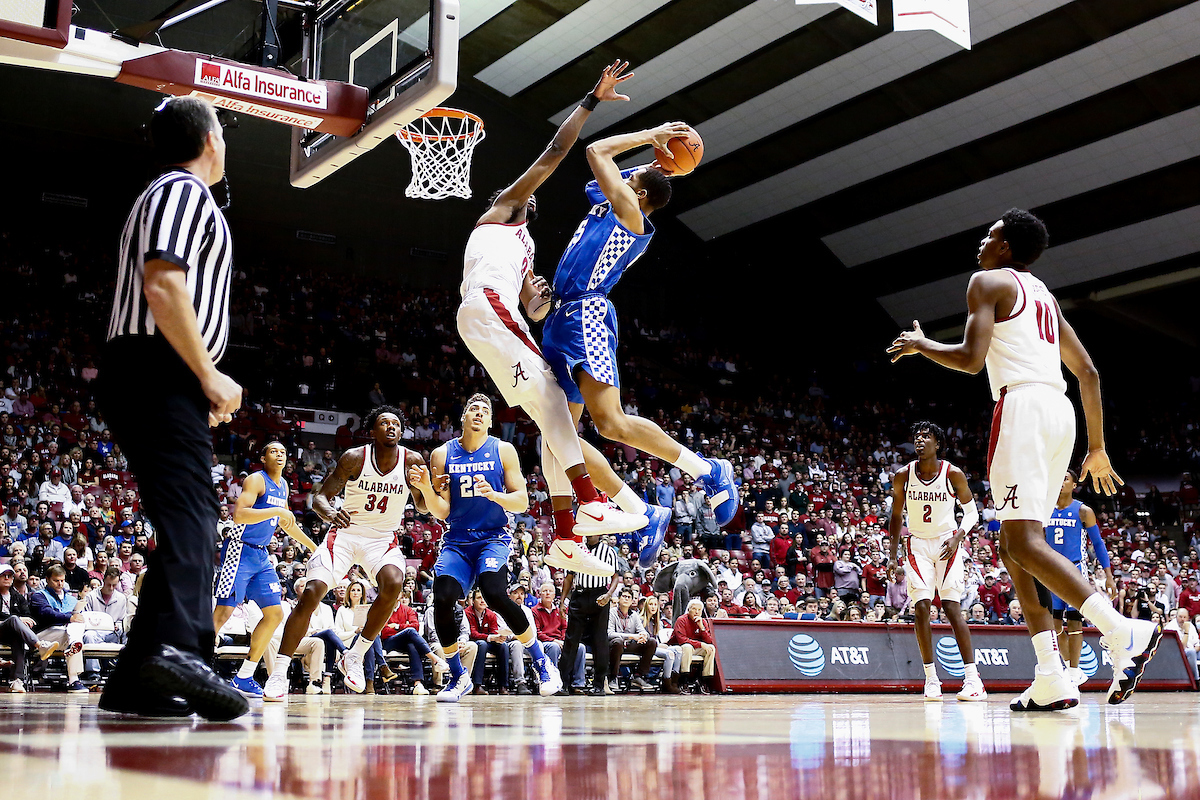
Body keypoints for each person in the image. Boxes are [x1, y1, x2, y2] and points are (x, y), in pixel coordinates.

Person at [889, 208, 1160, 711]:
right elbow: (1090, 373)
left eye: (989, 235)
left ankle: (1121, 630)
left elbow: (971, 361)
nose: (981, 241)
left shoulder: (986, 281)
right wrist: (1096, 448)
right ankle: (1051, 674)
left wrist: (923, 345)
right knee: (1013, 548)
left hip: (1021, 407)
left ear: (1006, 247)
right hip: (1061, 412)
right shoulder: (1045, 298)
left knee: (1021, 540)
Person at [455, 61, 657, 579]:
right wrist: (591, 100)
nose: (531, 189)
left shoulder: (525, 246)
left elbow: (533, 308)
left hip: (493, 319)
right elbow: (557, 151)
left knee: (553, 418)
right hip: (483, 307)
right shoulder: (504, 209)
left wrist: (541, 304)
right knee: (555, 409)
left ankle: (565, 538)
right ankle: (590, 502)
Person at [98, 96, 245, 721]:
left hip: (157, 372)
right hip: (154, 367)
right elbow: (163, 282)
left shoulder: (172, 193)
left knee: (185, 517)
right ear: (210, 139)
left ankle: (136, 676)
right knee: (193, 517)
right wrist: (205, 373)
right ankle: (181, 650)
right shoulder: (182, 191)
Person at [539, 120, 740, 545]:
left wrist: (653, 134)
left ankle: (708, 470)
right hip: (559, 318)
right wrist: (656, 164)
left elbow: (597, 152)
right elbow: (608, 172)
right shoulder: (608, 202)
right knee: (559, 439)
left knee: (610, 424)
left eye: (631, 179)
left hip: (586, 314)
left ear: (640, 195)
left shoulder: (629, 215)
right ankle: (642, 513)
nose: (623, 177)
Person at [263, 406, 429, 700]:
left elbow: (423, 507)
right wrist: (329, 513)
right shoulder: (354, 458)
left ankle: (355, 655)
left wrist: (425, 487)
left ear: (401, 432)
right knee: (312, 592)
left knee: (393, 583)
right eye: (384, 423)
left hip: (381, 539)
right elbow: (320, 499)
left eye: (396, 424)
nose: (391, 427)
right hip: (346, 534)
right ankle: (279, 672)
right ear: (372, 431)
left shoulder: (411, 461)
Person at [408, 394, 563, 701]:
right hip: (458, 540)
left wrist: (496, 495)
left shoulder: (503, 450)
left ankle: (543, 663)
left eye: (485, 411)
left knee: (494, 593)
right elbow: (441, 510)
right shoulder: (442, 454)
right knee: (442, 597)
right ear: (463, 417)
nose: (479, 413)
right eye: (473, 409)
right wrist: (426, 488)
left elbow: (522, 500)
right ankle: (458, 676)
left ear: (491, 422)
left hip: (493, 537)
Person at [888, 421, 986, 702]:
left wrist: (957, 538)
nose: (920, 440)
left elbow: (971, 514)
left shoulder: (952, 473)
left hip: (947, 543)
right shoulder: (902, 475)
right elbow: (896, 516)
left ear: (938, 444)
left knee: (952, 607)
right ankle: (931, 679)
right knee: (921, 607)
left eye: (926, 436)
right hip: (917, 544)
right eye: (917, 436)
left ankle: (972, 678)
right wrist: (893, 555)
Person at [212, 441, 316, 698]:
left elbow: (287, 523)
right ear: (262, 457)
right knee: (224, 610)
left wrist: (314, 547)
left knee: (275, 614)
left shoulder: (283, 485)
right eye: (273, 451)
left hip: (260, 555)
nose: (279, 455)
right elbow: (240, 515)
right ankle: (194, 666)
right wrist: (277, 509)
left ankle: (244, 676)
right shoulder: (256, 481)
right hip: (239, 548)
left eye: (283, 451)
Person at [1044, 468, 1117, 687]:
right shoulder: (1044, 509)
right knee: (1054, 626)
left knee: (1074, 623)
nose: (1061, 482)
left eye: (1065, 478)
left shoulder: (1083, 511)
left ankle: (1074, 671)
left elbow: (1098, 544)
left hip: (1076, 571)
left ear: (1074, 485)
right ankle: (1069, 667)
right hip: (1051, 573)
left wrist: (1109, 576)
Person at [559, 536, 621, 695]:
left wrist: (608, 595)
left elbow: (615, 576)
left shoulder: (608, 551)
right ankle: (563, 684)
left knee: (600, 640)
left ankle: (599, 685)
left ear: (599, 533)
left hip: (599, 595)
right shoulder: (577, 548)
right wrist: (562, 601)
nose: (591, 534)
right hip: (578, 595)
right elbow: (569, 577)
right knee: (571, 640)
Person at [0, 563, 58, 692]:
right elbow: (15, 617)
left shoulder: (17, 596)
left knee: (18, 638)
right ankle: (39, 645)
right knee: (14, 619)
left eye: (9, 576)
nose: (7, 578)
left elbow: (27, 614)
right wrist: (18, 619)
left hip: (11, 632)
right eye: (3, 576)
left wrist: (21, 620)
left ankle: (16, 681)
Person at [29, 564, 87, 693]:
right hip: (42, 635)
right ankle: (74, 680)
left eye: (62, 580)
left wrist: (74, 616)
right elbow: (47, 614)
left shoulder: (70, 598)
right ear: (47, 580)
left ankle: (73, 680)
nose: (60, 584)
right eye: (56, 580)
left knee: (77, 624)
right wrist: (69, 617)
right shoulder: (39, 595)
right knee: (74, 630)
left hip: (65, 634)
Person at [608, 586, 656, 692]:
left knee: (652, 642)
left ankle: (638, 676)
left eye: (629, 597)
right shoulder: (611, 612)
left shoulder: (634, 615)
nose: (626, 599)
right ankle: (612, 677)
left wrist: (643, 635)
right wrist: (631, 636)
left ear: (631, 601)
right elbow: (609, 634)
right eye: (624, 596)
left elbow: (642, 631)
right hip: (614, 646)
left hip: (629, 645)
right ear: (619, 599)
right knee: (618, 642)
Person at [670, 598, 716, 694]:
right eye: (694, 609)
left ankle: (704, 679)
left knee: (711, 648)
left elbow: (709, 641)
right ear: (689, 609)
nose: (697, 612)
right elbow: (682, 640)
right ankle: (684, 680)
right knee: (687, 647)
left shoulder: (702, 621)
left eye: (699, 610)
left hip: (694, 648)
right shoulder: (681, 620)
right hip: (677, 647)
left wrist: (702, 628)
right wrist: (700, 644)